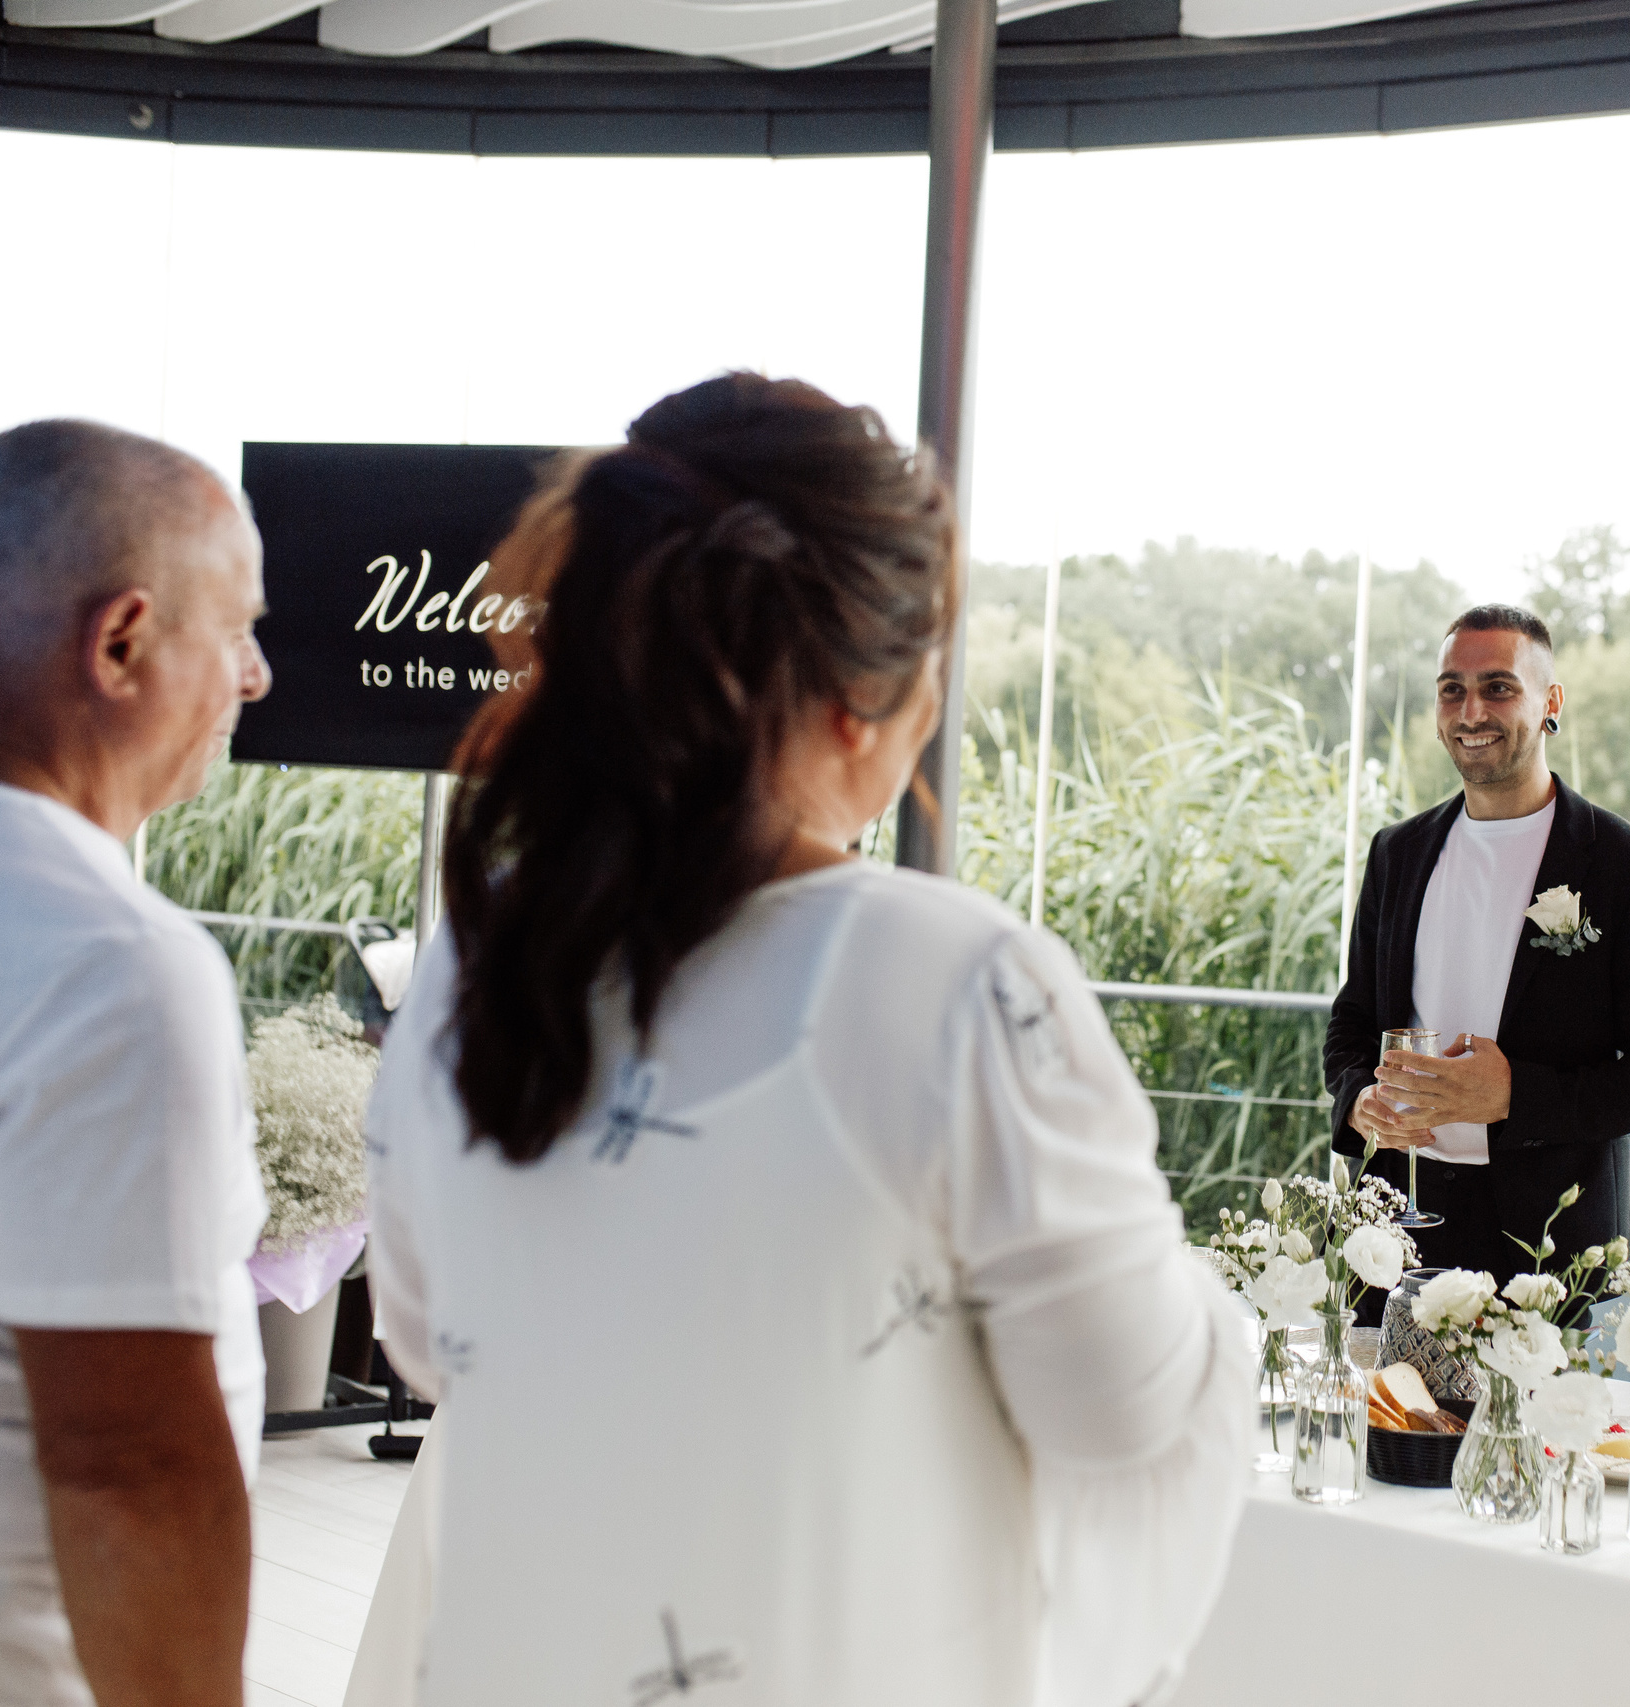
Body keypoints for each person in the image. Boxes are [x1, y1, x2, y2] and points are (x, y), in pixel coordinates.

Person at [360, 373, 1251, 1707]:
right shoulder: (958, 984)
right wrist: (1210, 1312)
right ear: (860, 700)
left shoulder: (466, 966)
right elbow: (1120, 1406)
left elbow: (429, 1340)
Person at [0, 420, 273, 1706]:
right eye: (239, 628)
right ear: (123, 643)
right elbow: (128, 1470)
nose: (255, 676)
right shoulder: (104, 967)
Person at [1325, 605, 1630, 1296]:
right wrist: (1358, 1100)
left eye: (1498, 687)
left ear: (1551, 702)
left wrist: (1514, 1095)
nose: (1471, 712)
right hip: (1394, 1222)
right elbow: (1351, 1022)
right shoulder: (1397, 853)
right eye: (1452, 689)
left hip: (1548, 1241)